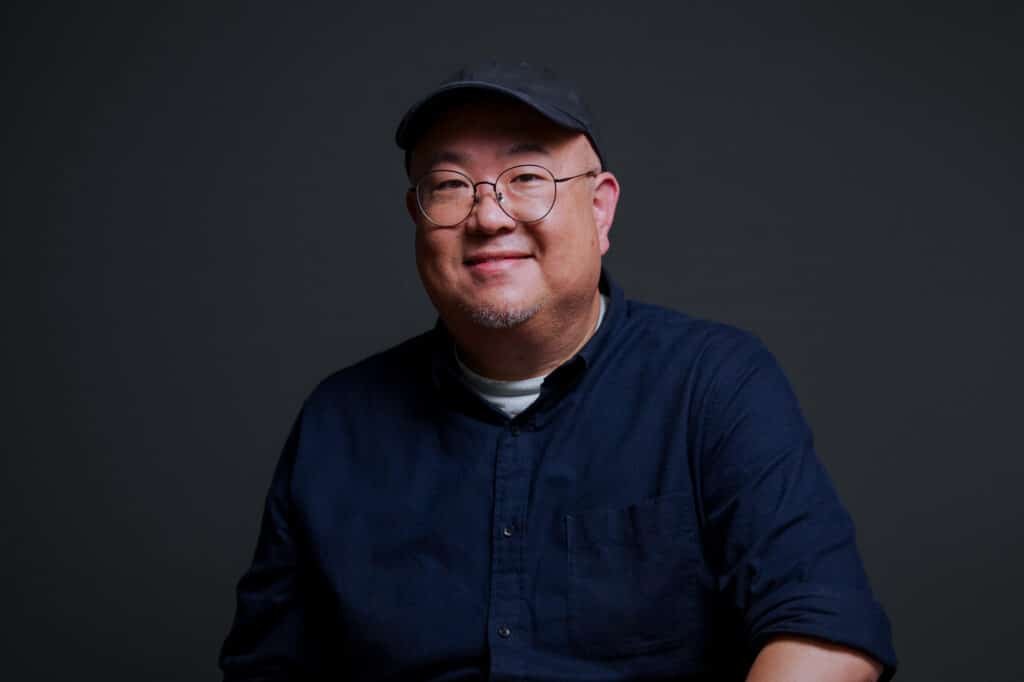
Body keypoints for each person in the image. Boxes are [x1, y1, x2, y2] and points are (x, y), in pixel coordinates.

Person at [219, 61, 897, 681]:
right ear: (418, 219)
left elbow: (824, 637)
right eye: (450, 186)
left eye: (527, 179)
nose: (488, 215)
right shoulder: (339, 423)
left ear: (599, 209)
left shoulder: (714, 385)